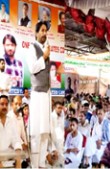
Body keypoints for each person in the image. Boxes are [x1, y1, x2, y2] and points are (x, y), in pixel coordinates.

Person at [26, 21, 51, 168]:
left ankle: (41, 164)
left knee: (45, 132)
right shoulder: (32, 48)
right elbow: (32, 68)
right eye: (42, 30)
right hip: (36, 95)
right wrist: (44, 57)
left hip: (46, 95)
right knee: (36, 132)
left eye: (46, 31)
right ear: (36, 33)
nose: (44, 33)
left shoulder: (46, 48)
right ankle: (34, 165)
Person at [0, 95, 22, 168]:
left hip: (7, 159)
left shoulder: (11, 121)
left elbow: (16, 140)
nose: (4, 106)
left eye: (6, 104)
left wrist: (18, 159)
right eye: (2, 104)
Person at [50, 101, 64, 167]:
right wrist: (53, 147)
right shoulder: (51, 117)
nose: (60, 110)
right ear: (54, 108)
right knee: (54, 162)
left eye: (61, 108)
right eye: (58, 108)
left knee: (60, 162)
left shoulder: (62, 116)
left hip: (61, 142)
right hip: (54, 143)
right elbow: (51, 132)